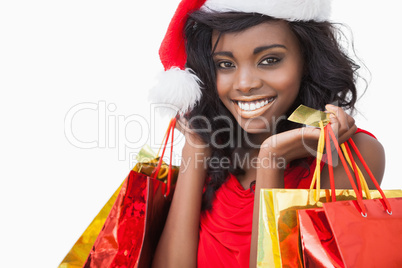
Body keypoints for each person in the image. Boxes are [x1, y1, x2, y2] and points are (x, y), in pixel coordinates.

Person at [150, 0, 385, 267]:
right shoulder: (214, 148)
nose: (245, 84)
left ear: (307, 60)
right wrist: (194, 147)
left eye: (270, 60)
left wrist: (271, 160)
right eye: (225, 65)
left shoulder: (350, 156)